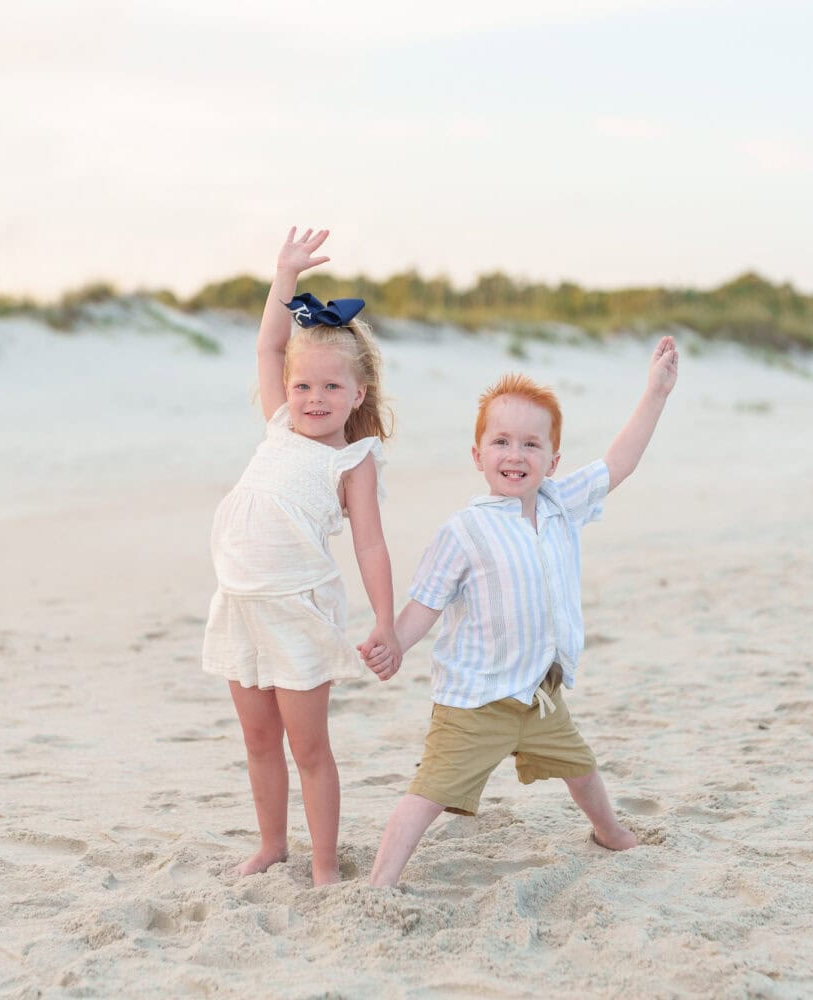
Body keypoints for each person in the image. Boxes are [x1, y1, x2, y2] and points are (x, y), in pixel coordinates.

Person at [361, 338, 679, 887]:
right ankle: (381, 880)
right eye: (501, 442)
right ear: (478, 454)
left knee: (580, 768)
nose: (516, 455)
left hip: (539, 692)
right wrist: (393, 642)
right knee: (431, 790)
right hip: (476, 702)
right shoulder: (465, 529)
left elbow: (619, 462)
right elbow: (427, 603)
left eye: (531, 444)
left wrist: (656, 391)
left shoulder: (559, 504)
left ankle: (609, 832)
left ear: (553, 460)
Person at [202, 227, 401, 886]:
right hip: (240, 603)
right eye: (304, 386)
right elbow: (268, 342)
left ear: (358, 394)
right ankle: (270, 845)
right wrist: (283, 275)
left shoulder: (352, 459)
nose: (314, 400)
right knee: (259, 741)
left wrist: (384, 621)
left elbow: (370, 542)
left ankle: (321, 865)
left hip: (298, 610)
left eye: (331, 389)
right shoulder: (279, 423)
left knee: (308, 746)